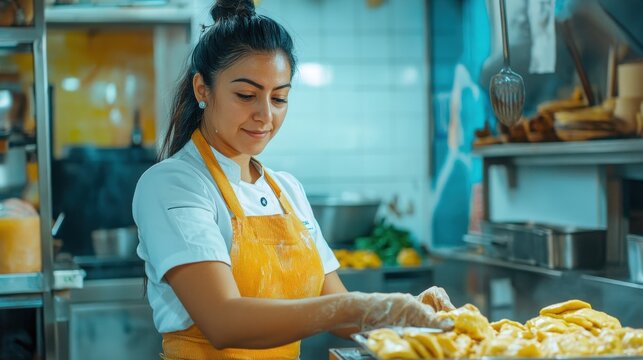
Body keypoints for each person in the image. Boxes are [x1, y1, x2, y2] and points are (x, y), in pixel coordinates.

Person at [133, 0, 455, 358]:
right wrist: (359, 307)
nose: (265, 115)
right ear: (202, 89)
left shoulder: (287, 190)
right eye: (246, 95)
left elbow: (339, 310)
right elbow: (223, 321)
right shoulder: (173, 184)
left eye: (280, 98)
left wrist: (407, 310)